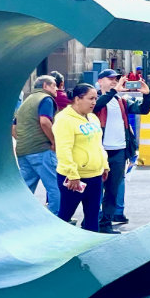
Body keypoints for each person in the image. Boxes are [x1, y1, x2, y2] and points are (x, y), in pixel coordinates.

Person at [94, 68, 150, 233]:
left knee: (112, 190)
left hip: (119, 151)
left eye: (116, 79)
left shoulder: (122, 101)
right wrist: (113, 91)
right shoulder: (95, 98)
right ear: (100, 81)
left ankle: (106, 223)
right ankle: (91, 221)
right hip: (100, 151)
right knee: (96, 189)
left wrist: (147, 94)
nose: (114, 81)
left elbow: (144, 110)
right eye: (110, 78)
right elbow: (97, 106)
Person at [53, 83, 108, 231]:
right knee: (65, 215)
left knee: (93, 216)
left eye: (96, 98)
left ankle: (91, 250)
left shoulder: (92, 118)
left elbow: (98, 144)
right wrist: (72, 174)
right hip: (74, 178)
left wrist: (104, 165)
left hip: (95, 176)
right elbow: (64, 149)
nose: (94, 102)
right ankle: (58, 247)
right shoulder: (64, 119)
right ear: (77, 99)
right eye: (90, 98)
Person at [12, 75, 61, 215]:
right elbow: (45, 121)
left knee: (26, 186)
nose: (56, 88)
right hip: (41, 150)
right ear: (45, 86)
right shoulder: (45, 99)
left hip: (23, 151)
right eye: (54, 85)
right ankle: (56, 216)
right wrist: (54, 142)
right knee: (54, 187)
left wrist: (24, 140)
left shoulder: (26, 101)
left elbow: (13, 127)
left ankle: (18, 214)